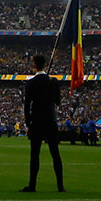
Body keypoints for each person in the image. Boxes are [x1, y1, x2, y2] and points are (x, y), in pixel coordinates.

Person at [20, 54, 64, 193]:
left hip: (36, 121)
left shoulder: (31, 83)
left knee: (35, 154)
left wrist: (28, 123)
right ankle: (60, 186)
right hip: (50, 120)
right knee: (55, 153)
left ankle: (32, 185)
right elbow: (57, 101)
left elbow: (27, 105)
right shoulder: (54, 82)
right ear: (45, 65)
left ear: (34, 65)